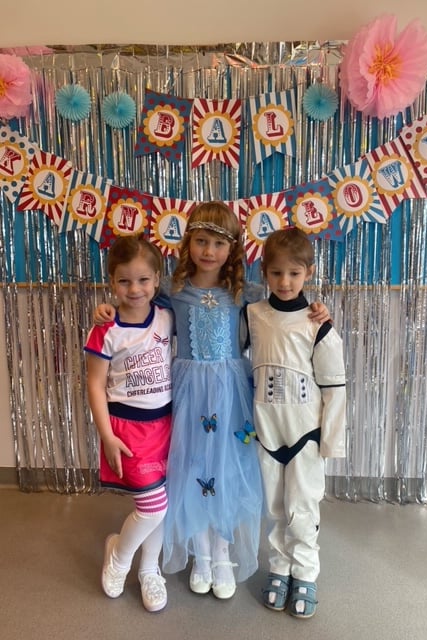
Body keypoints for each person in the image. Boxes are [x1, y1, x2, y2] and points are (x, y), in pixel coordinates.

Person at [93, 202, 331, 601]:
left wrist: (315, 307)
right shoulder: (172, 292)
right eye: (201, 241)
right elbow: (137, 306)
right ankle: (200, 555)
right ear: (189, 242)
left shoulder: (245, 294)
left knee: (227, 469)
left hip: (231, 393)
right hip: (188, 394)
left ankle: (222, 555)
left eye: (219, 244)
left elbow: (282, 308)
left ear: (232, 248)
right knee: (192, 469)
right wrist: (106, 309)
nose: (209, 251)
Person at [245, 228, 346, 619]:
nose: (285, 282)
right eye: (276, 273)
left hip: (305, 433)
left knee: (302, 505)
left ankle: (305, 573)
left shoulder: (317, 323)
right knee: (275, 506)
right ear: (264, 273)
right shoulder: (253, 315)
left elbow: (334, 385)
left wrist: (330, 439)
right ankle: (280, 568)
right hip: (267, 430)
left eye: (294, 273)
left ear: (309, 273)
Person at [84, 234, 174, 613]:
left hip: (167, 425)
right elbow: (94, 384)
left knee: (162, 502)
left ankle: (150, 569)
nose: (134, 289)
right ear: (112, 282)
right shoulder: (105, 329)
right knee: (152, 506)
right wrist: (106, 436)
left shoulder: (167, 316)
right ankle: (119, 556)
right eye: (124, 281)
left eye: (143, 280)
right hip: (128, 430)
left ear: (157, 280)